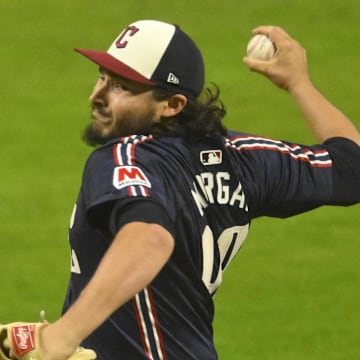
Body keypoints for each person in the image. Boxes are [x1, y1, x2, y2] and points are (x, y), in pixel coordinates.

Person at [36, 19, 360, 359]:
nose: (97, 96)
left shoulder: (121, 157)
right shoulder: (242, 158)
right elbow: (352, 169)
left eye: (121, 87)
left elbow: (149, 238)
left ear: (172, 105)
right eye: (102, 76)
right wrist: (299, 83)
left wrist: (60, 337)